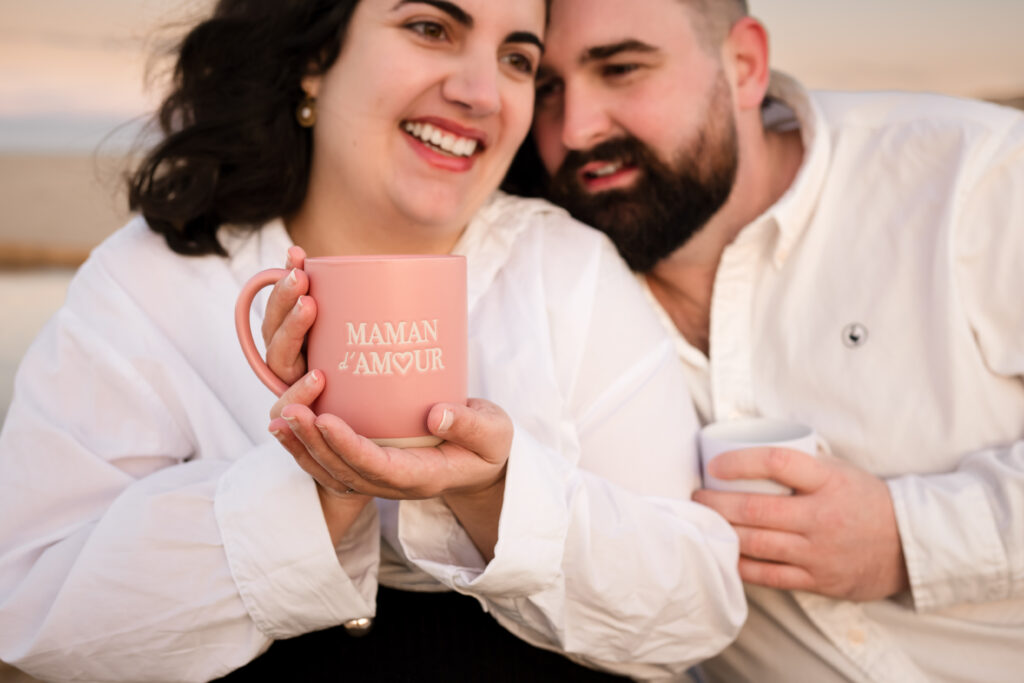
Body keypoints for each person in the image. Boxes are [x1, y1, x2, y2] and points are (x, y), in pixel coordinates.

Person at [0, 1, 747, 681]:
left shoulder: (566, 270)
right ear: (313, 58)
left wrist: (493, 493)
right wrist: (313, 498)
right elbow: (31, 608)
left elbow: (699, 608)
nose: (482, 93)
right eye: (431, 28)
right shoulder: (153, 282)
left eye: (517, 59)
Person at [500, 0, 1024, 680]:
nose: (575, 129)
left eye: (622, 68)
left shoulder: (979, 176)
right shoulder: (543, 291)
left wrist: (907, 537)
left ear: (745, 66)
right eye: (546, 88)